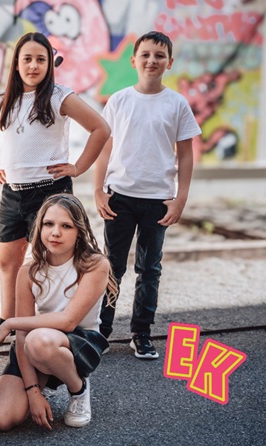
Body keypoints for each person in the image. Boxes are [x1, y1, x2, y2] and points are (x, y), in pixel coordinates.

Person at [0, 32, 110, 346]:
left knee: (55, 256)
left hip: (51, 192)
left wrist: (77, 167)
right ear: (16, 64)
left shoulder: (60, 96)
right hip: (13, 191)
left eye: (40, 59)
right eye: (27, 59)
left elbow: (100, 128)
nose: (33, 66)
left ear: (49, 64)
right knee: (7, 260)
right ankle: (7, 322)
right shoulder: (1, 100)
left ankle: (58, 321)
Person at [94, 31, 201, 359]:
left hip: (158, 200)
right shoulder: (119, 100)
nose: (152, 60)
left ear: (170, 62)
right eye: (145, 54)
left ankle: (141, 333)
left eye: (159, 55)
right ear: (133, 60)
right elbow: (105, 147)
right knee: (112, 266)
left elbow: (186, 154)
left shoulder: (177, 104)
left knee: (149, 269)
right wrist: (98, 190)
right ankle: (101, 330)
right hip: (120, 197)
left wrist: (180, 198)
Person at [0, 194, 117, 430]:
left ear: (79, 231)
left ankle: (78, 388)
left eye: (66, 226)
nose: (55, 232)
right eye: (49, 224)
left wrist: (10, 323)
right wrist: (33, 392)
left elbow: (68, 322)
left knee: (39, 340)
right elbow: (22, 336)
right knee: (1, 419)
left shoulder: (95, 264)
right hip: (37, 346)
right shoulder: (29, 271)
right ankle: (45, 380)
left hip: (79, 342)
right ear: (39, 228)